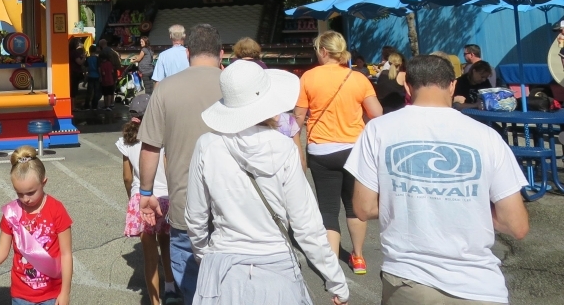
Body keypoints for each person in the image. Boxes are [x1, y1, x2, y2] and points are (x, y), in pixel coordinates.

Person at [346, 55, 529, 305]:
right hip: (480, 286)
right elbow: (516, 225)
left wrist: (408, 198)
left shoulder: (378, 130)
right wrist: (467, 205)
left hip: (409, 281)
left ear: (407, 86)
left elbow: (363, 208)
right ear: (452, 85)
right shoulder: (488, 137)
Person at [187, 60, 349, 305]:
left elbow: (195, 216)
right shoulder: (283, 147)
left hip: (223, 269)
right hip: (276, 267)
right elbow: (306, 224)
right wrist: (335, 281)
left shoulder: (207, 145)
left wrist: (203, 255)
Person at [138, 23, 224, 305]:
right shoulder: (233, 85)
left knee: (192, 285)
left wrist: (146, 192)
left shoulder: (166, 89)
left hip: (185, 204)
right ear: (221, 53)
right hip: (234, 204)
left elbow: (150, 147)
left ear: (188, 53)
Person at [293, 31, 383, 276]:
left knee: (328, 209)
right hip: (354, 150)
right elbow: (377, 114)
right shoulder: (358, 78)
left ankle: (332, 267)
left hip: (321, 150)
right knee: (355, 207)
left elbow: (298, 117)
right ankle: (358, 256)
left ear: (323, 51)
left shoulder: (308, 77)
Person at [0, 146, 73, 305]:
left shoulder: (56, 209)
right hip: (21, 295)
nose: (25, 199)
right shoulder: (12, 213)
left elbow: (66, 254)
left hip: (51, 294)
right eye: (19, 193)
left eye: (31, 192)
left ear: (44, 182)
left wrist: (65, 292)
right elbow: (2, 250)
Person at [117, 94, 177, 305]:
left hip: (141, 198)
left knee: (150, 257)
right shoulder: (165, 137)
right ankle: (171, 287)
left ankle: (154, 301)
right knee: (167, 245)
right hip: (165, 196)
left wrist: (132, 198)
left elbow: (127, 177)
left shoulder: (127, 141)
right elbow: (170, 170)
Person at [85, 45, 101, 111]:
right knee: (96, 92)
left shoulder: (88, 58)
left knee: (89, 92)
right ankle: (94, 106)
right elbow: (99, 68)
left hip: (90, 76)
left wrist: (85, 77)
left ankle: (87, 106)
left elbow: (86, 68)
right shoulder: (97, 58)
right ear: (95, 50)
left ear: (89, 51)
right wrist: (100, 76)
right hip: (96, 76)